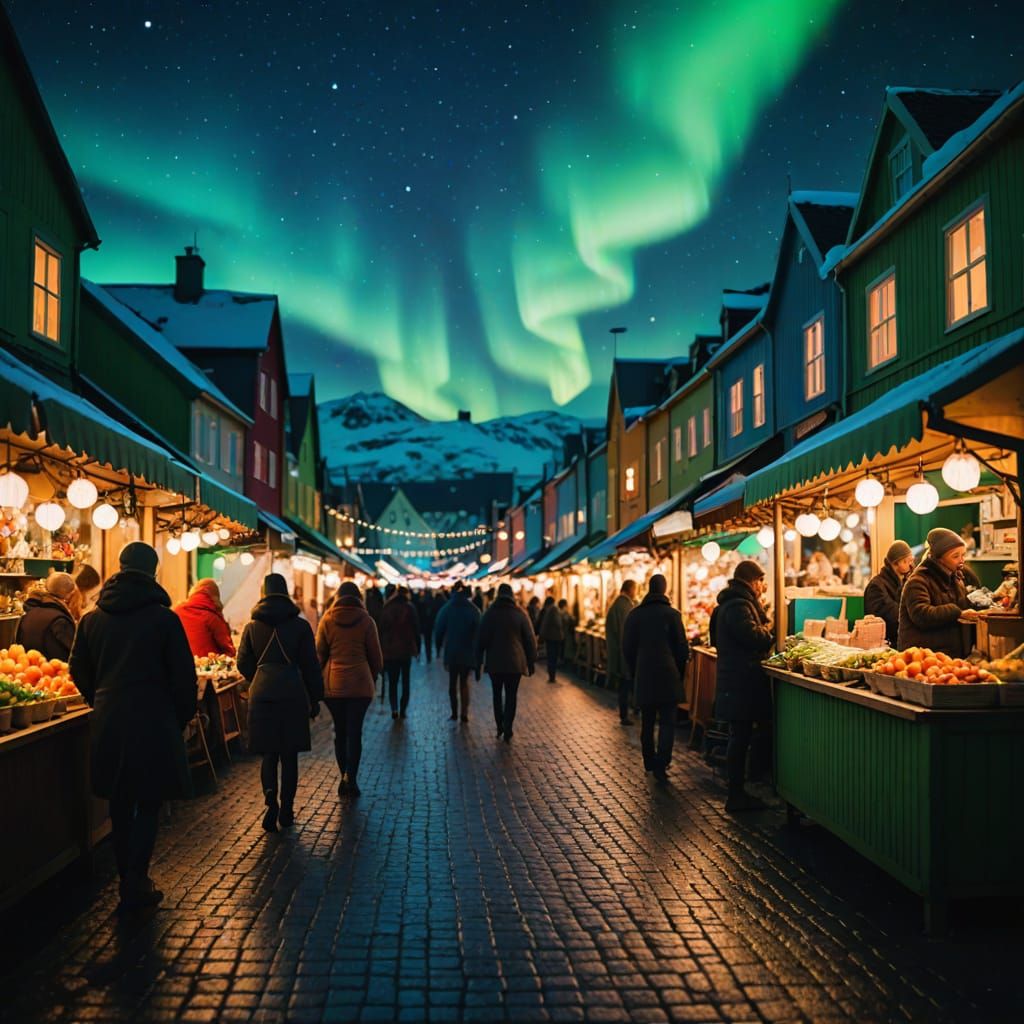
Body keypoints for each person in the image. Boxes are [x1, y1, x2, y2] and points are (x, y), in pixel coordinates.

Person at [69, 542, 196, 913]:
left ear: (120, 568)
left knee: (120, 803)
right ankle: (137, 878)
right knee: (150, 801)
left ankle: (128, 876)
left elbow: (77, 668)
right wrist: (180, 717)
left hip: (110, 718)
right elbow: (183, 677)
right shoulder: (164, 619)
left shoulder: (92, 618)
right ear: (153, 572)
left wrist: (100, 699)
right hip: (154, 720)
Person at [237, 574, 323, 831]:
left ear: (263, 592)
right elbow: (310, 665)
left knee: (268, 753)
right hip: (292, 695)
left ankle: (269, 801)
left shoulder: (252, 626)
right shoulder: (300, 626)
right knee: (289, 754)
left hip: (262, 695)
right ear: (286, 592)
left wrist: (259, 678)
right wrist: (316, 697)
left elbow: (242, 662)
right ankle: (286, 808)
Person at [710, 560, 775, 813]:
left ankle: (740, 789)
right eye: (760, 581)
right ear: (751, 581)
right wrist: (769, 632)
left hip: (735, 681)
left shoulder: (731, 604)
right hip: (741, 682)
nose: (762, 586)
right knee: (740, 737)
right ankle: (736, 794)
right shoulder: (738, 606)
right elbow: (754, 637)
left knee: (741, 736)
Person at [316, 581, 383, 797]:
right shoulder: (367, 621)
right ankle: (351, 779)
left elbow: (319, 655)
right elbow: (377, 659)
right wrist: (371, 677)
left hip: (334, 686)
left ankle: (342, 773)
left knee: (340, 731)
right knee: (355, 733)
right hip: (360, 686)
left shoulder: (326, 620)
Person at [622, 575, 688, 784]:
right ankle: (662, 762)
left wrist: (635, 670)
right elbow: (682, 649)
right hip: (669, 675)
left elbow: (627, 648)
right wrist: (679, 672)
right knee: (668, 722)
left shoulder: (635, 616)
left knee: (647, 721)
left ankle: (649, 760)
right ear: (665, 589)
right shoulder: (673, 615)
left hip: (644, 675)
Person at [898, 527, 978, 657]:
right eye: (955, 556)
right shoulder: (917, 581)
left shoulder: (956, 578)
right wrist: (958, 613)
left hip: (950, 656)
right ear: (939, 558)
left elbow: (963, 605)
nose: (962, 560)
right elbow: (921, 614)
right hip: (923, 659)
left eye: (963, 555)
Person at [476, 582, 537, 742]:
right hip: (515, 663)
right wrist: (531, 661)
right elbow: (530, 640)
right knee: (511, 695)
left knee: (496, 694)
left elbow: (481, 640)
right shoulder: (520, 613)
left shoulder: (489, 614)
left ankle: (499, 725)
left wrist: (478, 664)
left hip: (495, 662)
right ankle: (508, 726)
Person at [433, 581, 481, 721]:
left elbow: (439, 629)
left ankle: (454, 713)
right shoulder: (474, 610)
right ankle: (464, 713)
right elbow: (479, 632)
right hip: (468, 651)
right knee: (464, 682)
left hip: (452, 651)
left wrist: (438, 647)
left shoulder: (447, 608)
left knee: (452, 682)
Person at [16, 572, 80, 660]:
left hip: (28, 670)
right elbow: (74, 655)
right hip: (55, 672)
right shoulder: (60, 621)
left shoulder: (28, 615)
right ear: (69, 595)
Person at [378, 586, 420, 719]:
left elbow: (380, 630)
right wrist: (417, 647)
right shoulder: (410, 608)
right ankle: (403, 709)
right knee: (406, 681)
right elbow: (416, 629)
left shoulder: (387, 608)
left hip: (390, 651)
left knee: (393, 681)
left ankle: (394, 709)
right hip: (406, 650)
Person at [864, 540, 914, 647]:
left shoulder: (905, 582)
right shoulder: (876, 586)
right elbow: (892, 616)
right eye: (908, 561)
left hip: (901, 641)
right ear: (897, 562)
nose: (911, 565)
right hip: (884, 646)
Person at [173, 578, 236, 657]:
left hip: (181, 664)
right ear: (215, 596)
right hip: (208, 666)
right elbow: (229, 651)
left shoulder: (177, 611)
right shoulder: (212, 617)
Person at [605, 580, 637, 725]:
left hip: (619, 652)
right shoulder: (624, 606)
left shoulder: (618, 604)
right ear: (630, 589)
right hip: (624, 653)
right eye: (635, 589)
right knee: (625, 684)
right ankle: (625, 715)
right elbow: (626, 632)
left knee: (625, 684)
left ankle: (627, 712)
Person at [536, 595, 565, 683]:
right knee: (553, 656)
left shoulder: (549, 610)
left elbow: (544, 624)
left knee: (551, 656)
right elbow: (558, 623)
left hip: (550, 637)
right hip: (554, 637)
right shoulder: (554, 610)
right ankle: (552, 676)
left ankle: (551, 675)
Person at [416, 590, 438, 664]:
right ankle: (428, 656)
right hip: (429, 625)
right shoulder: (433, 602)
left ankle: (422, 654)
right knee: (428, 641)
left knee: (424, 640)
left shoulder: (421, 602)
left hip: (424, 624)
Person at [558, 599, 577, 663]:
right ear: (564, 606)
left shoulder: (559, 613)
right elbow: (569, 620)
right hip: (565, 634)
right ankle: (566, 660)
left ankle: (563, 659)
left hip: (561, 634)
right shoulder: (564, 614)